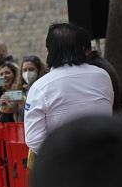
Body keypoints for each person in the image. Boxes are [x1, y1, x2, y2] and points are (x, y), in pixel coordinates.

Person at [24, 23, 113, 154]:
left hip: (63, 166)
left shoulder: (40, 87)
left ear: (49, 51)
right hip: (103, 159)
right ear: (82, 48)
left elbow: (33, 139)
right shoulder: (102, 75)